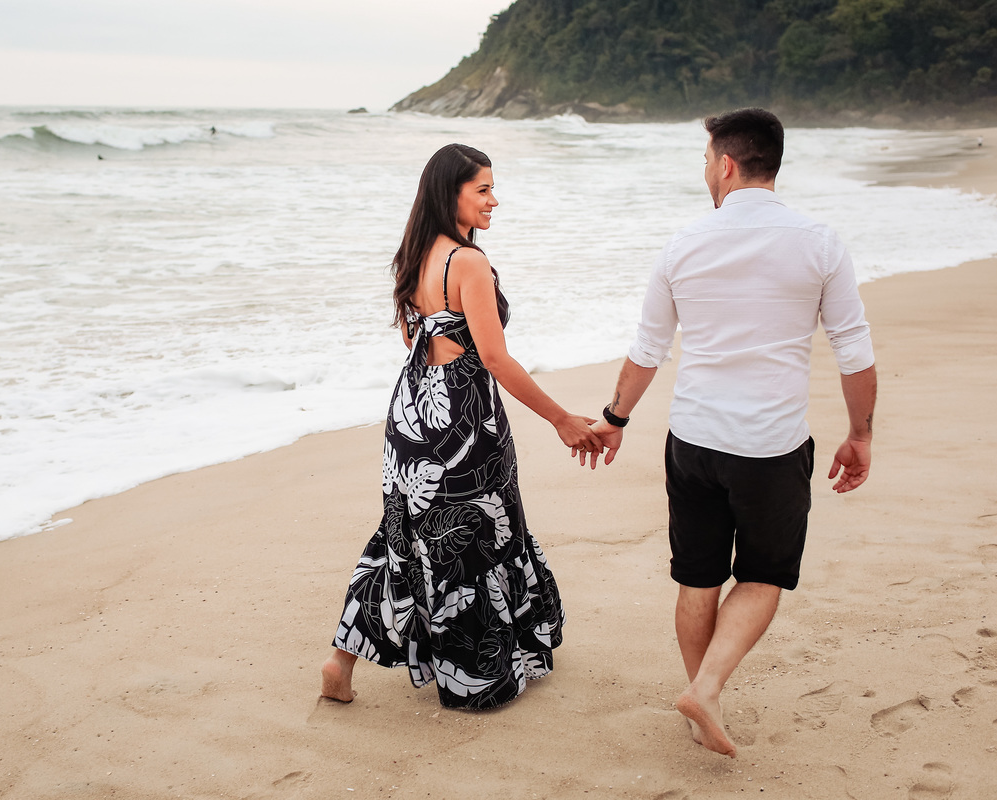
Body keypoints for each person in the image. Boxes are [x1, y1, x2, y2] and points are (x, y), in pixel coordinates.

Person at [580, 108, 878, 756]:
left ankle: (699, 703)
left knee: (698, 578)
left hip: (692, 440)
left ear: (725, 164)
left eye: (706, 159)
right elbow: (853, 350)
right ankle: (707, 691)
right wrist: (860, 434)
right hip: (770, 447)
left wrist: (614, 419)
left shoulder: (684, 243)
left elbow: (648, 349)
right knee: (765, 575)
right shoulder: (819, 241)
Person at [322, 143, 603, 709]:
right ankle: (477, 674)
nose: (494, 200)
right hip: (464, 421)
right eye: (483, 189)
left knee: (401, 533)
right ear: (450, 192)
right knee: (482, 533)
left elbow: (414, 338)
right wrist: (561, 419)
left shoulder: (417, 252)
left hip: (410, 414)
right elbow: (494, 360)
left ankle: (339, 661)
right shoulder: (467, 263)